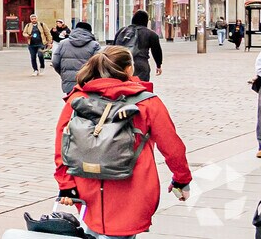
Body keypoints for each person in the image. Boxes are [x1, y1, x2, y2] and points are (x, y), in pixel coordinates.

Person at [55, 47, 190, 239]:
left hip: (87, 187)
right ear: (128, 70)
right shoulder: (147, 103)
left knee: (92, 231)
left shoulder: (77, 99)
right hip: (132, 191)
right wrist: (181, 179)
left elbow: (62, 145)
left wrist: (65, 184)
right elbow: (172, 147)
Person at [51, 20, 100, 97]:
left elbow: (55, 62)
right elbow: (99, 64)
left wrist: (63, 73)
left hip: (69, 82)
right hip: (88, 82)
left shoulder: (63, 43)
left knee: (71, 104)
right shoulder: (94, 45)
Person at [113, 9, 164, 85]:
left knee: (121, 86)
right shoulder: (150, 34)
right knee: (140, 88)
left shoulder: (122, 31)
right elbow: (156, 51)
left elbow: (113, 47)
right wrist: (158, 65)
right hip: (140, 64)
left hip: (120, 63)